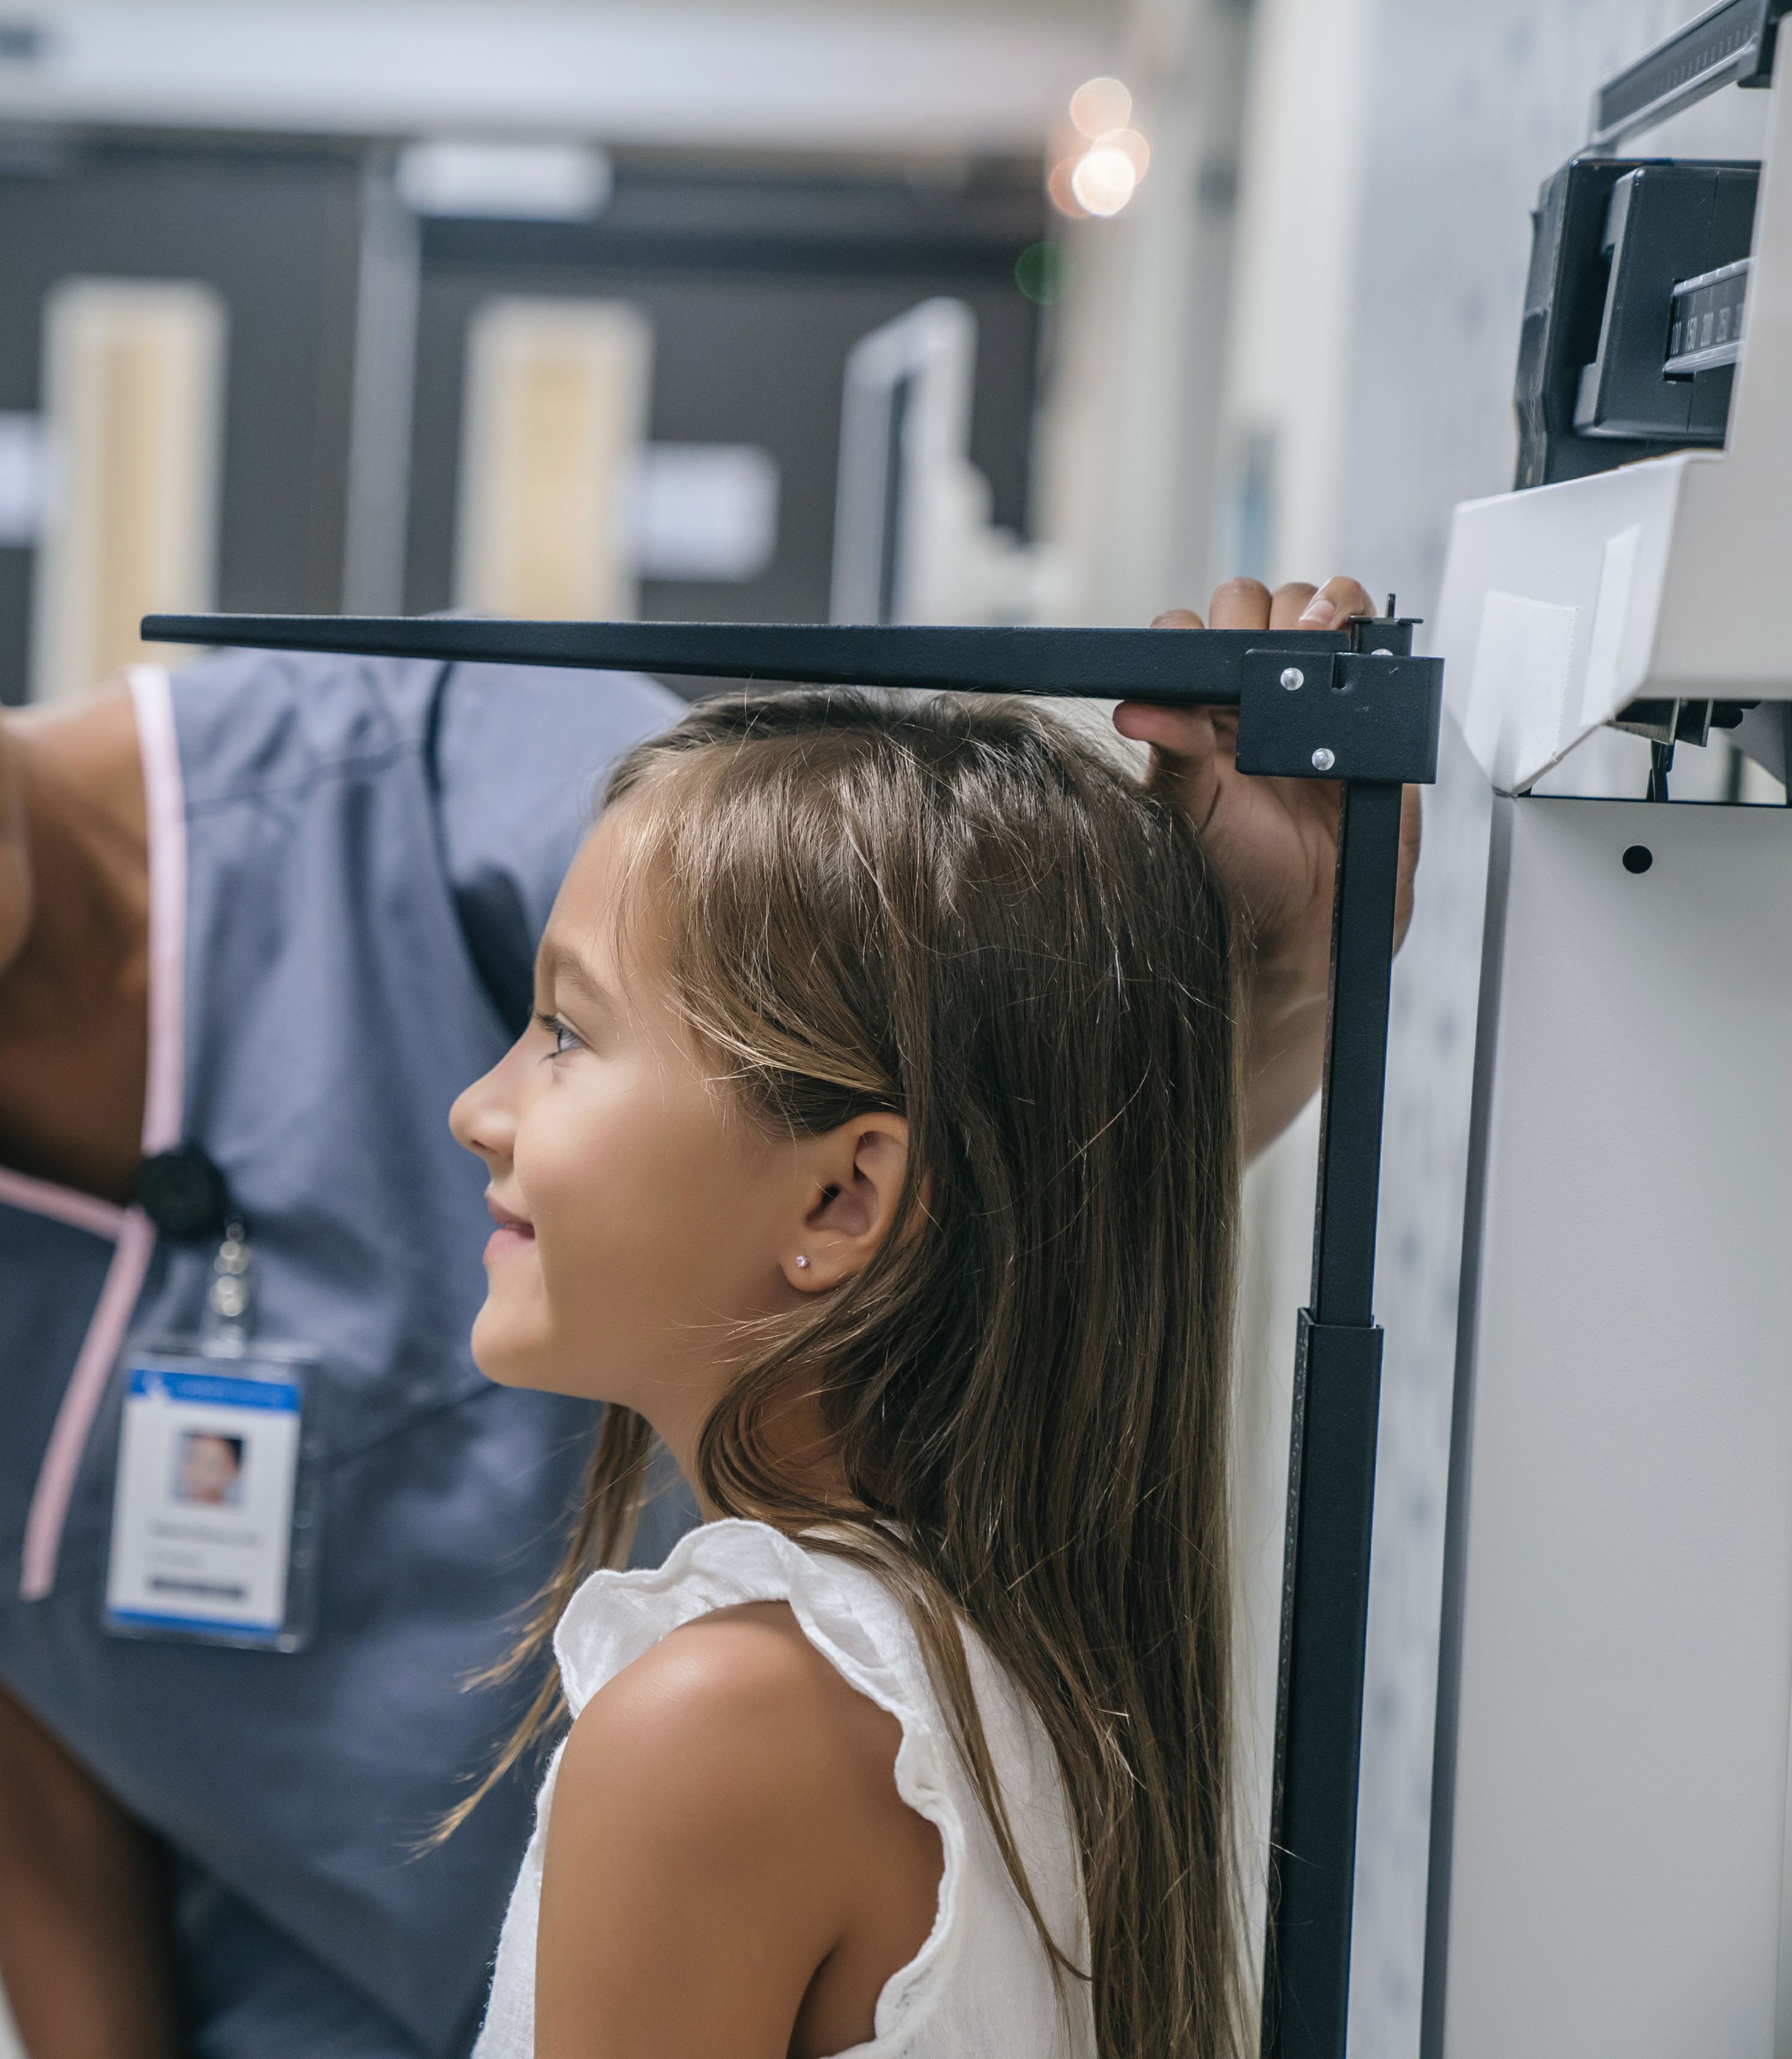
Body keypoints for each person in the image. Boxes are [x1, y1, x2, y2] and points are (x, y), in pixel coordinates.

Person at [0, 373, 1394, 2057]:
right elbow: (41, 1811)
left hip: (805, 1925)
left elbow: (951, 1182)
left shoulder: (440, 760)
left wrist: (1274, 974)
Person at [448, 691, 1243, 2058]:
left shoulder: (720, 1731)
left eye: (566, 1033)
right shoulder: (1019, 1644)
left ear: (840, 1201)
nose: (481, 1107)